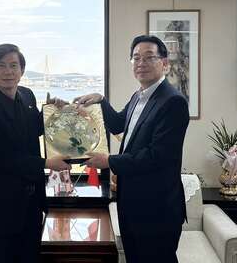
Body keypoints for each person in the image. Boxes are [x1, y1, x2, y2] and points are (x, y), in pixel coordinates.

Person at [75, 35, 189, 263]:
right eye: (136, 58)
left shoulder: (173, 101)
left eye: (149, 57)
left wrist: (110, 161)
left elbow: (158, 156)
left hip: (157, 209)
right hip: (131, 204)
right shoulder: (138, 96)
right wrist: (101, 100)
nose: (141, 63)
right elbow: (118, 123)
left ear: (164, 63)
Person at [0, 43, 70, 263]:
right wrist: (46, 163)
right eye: (1, 66)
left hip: (31, 204)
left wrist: (52, 112)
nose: (8, 71)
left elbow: (32, 128)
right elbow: (0, 159)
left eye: (14, 65)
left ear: (22, 71)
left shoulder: (27, 95)